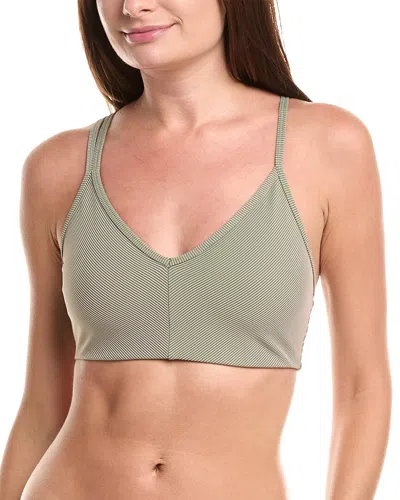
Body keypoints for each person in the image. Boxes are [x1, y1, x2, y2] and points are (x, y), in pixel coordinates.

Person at [0, 1, 391, 499]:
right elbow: (42, 403)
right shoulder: (58, 169)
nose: (132, 6)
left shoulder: (328, 146)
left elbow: (362, 388)